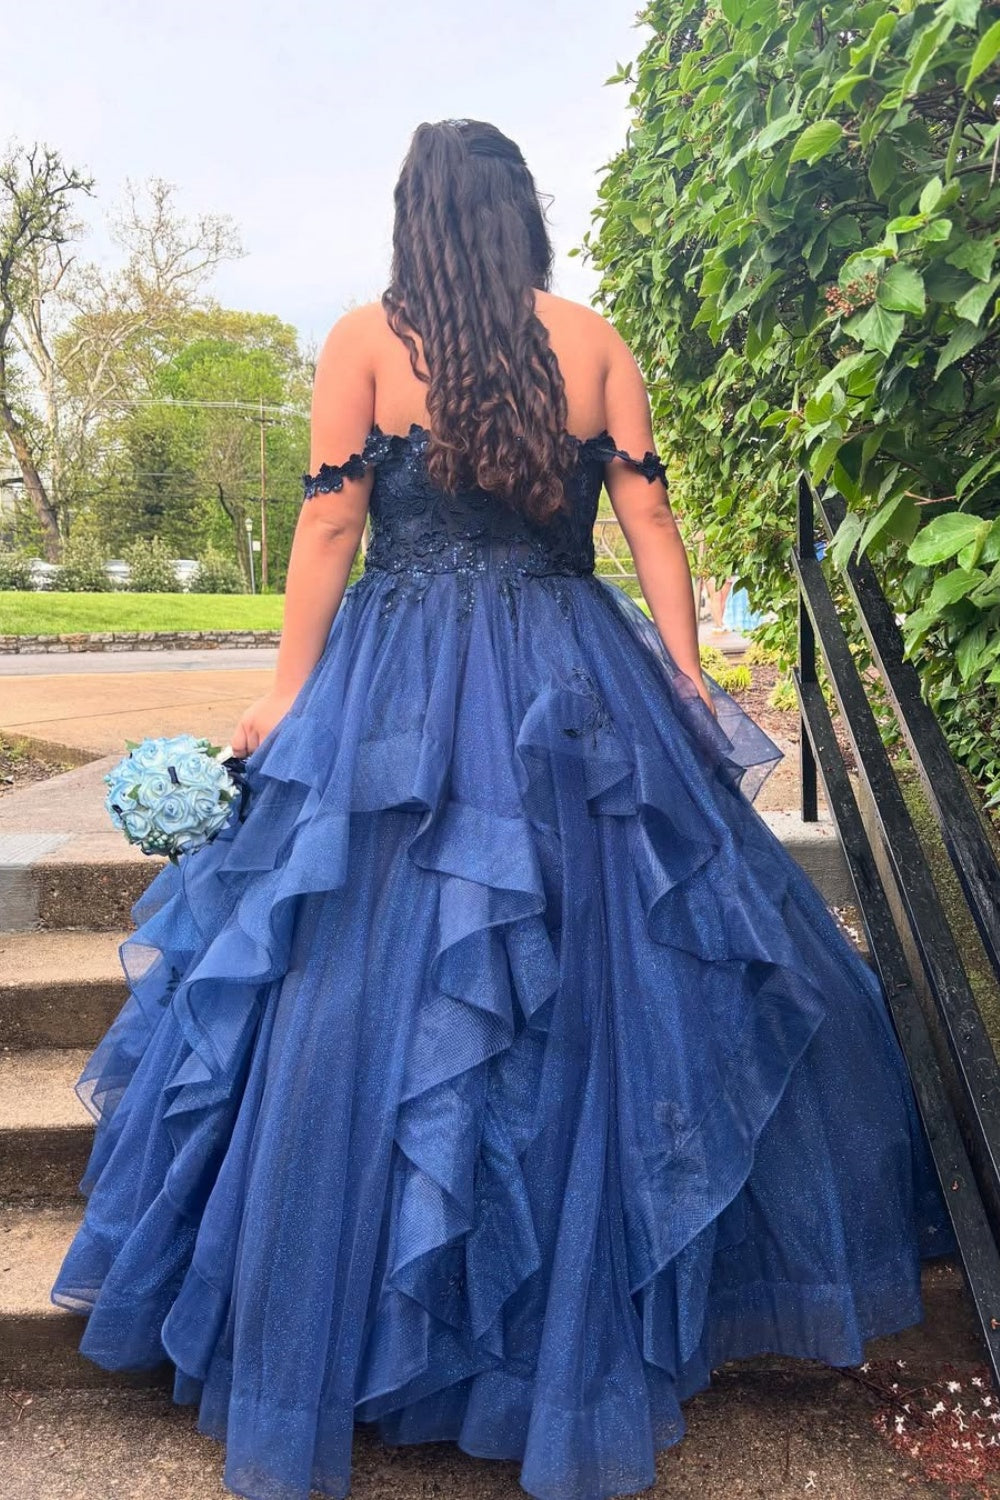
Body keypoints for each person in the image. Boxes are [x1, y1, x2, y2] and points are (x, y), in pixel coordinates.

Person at [53, 119, 953, 1500]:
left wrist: (289, 692)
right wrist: (686, 677)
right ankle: (566, 1340)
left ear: (414, 216)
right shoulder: (592, 340)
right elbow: (654, 525)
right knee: (596, 994)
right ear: (522, 213)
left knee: (355, 988)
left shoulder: (363, 338)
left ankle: (346, 1330)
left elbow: (330, 527)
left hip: (399, 686)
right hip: (566, 675)